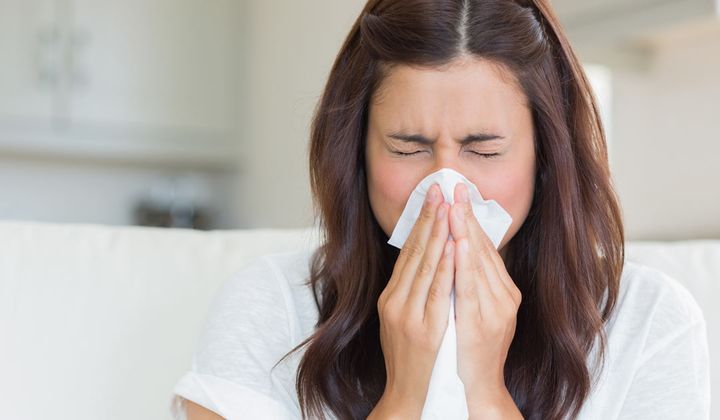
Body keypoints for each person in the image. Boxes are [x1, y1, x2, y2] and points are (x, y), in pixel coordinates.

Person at [171, 0, 710, 418]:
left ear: (546, 156)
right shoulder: (268, 306)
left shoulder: (648, 319)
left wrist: (485, 394)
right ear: (355, 153)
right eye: (408, 148)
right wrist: (406, 396)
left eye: (484, 150)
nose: (445, 188)